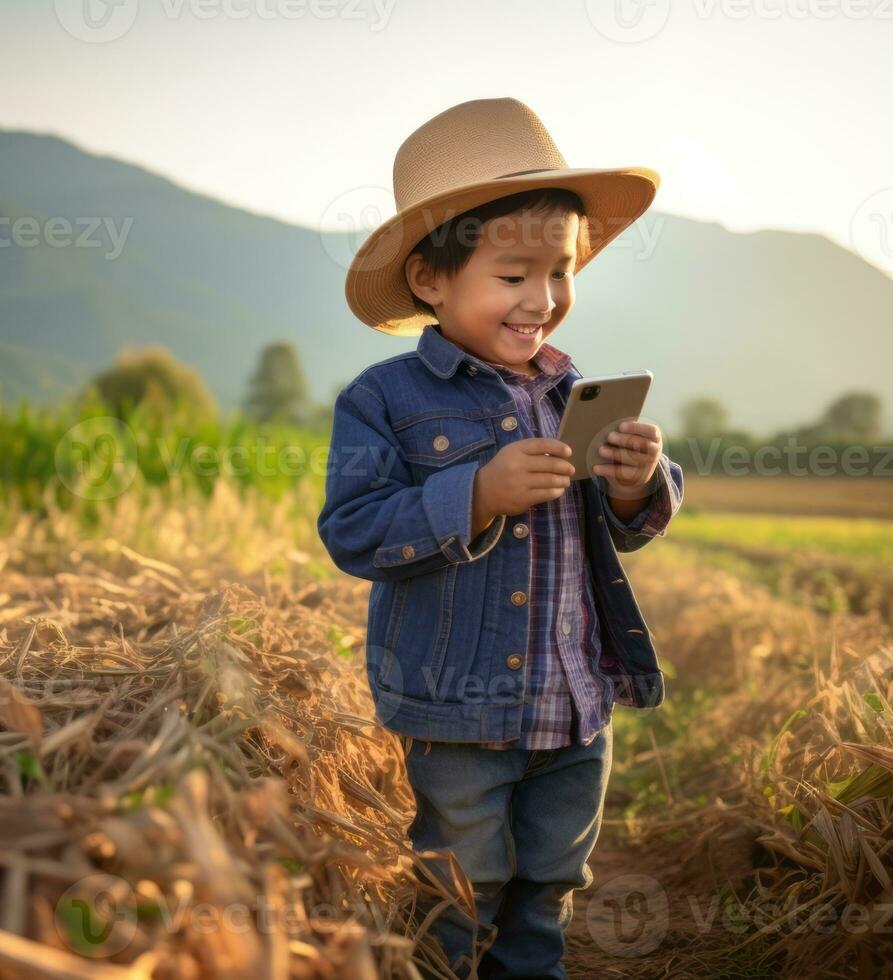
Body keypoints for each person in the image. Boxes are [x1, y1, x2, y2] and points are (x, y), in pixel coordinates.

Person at [317, 98, 685, 978]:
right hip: (458, 709)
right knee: (461, 878)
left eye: (559, 273)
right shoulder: (384, 400)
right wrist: (475, 493)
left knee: (551, 875)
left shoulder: (577, 392)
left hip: (574, 699)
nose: (543, 300)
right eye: (513, 275)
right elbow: (354, 531)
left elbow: (620, 528)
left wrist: (637, 484)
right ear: (431, 281)